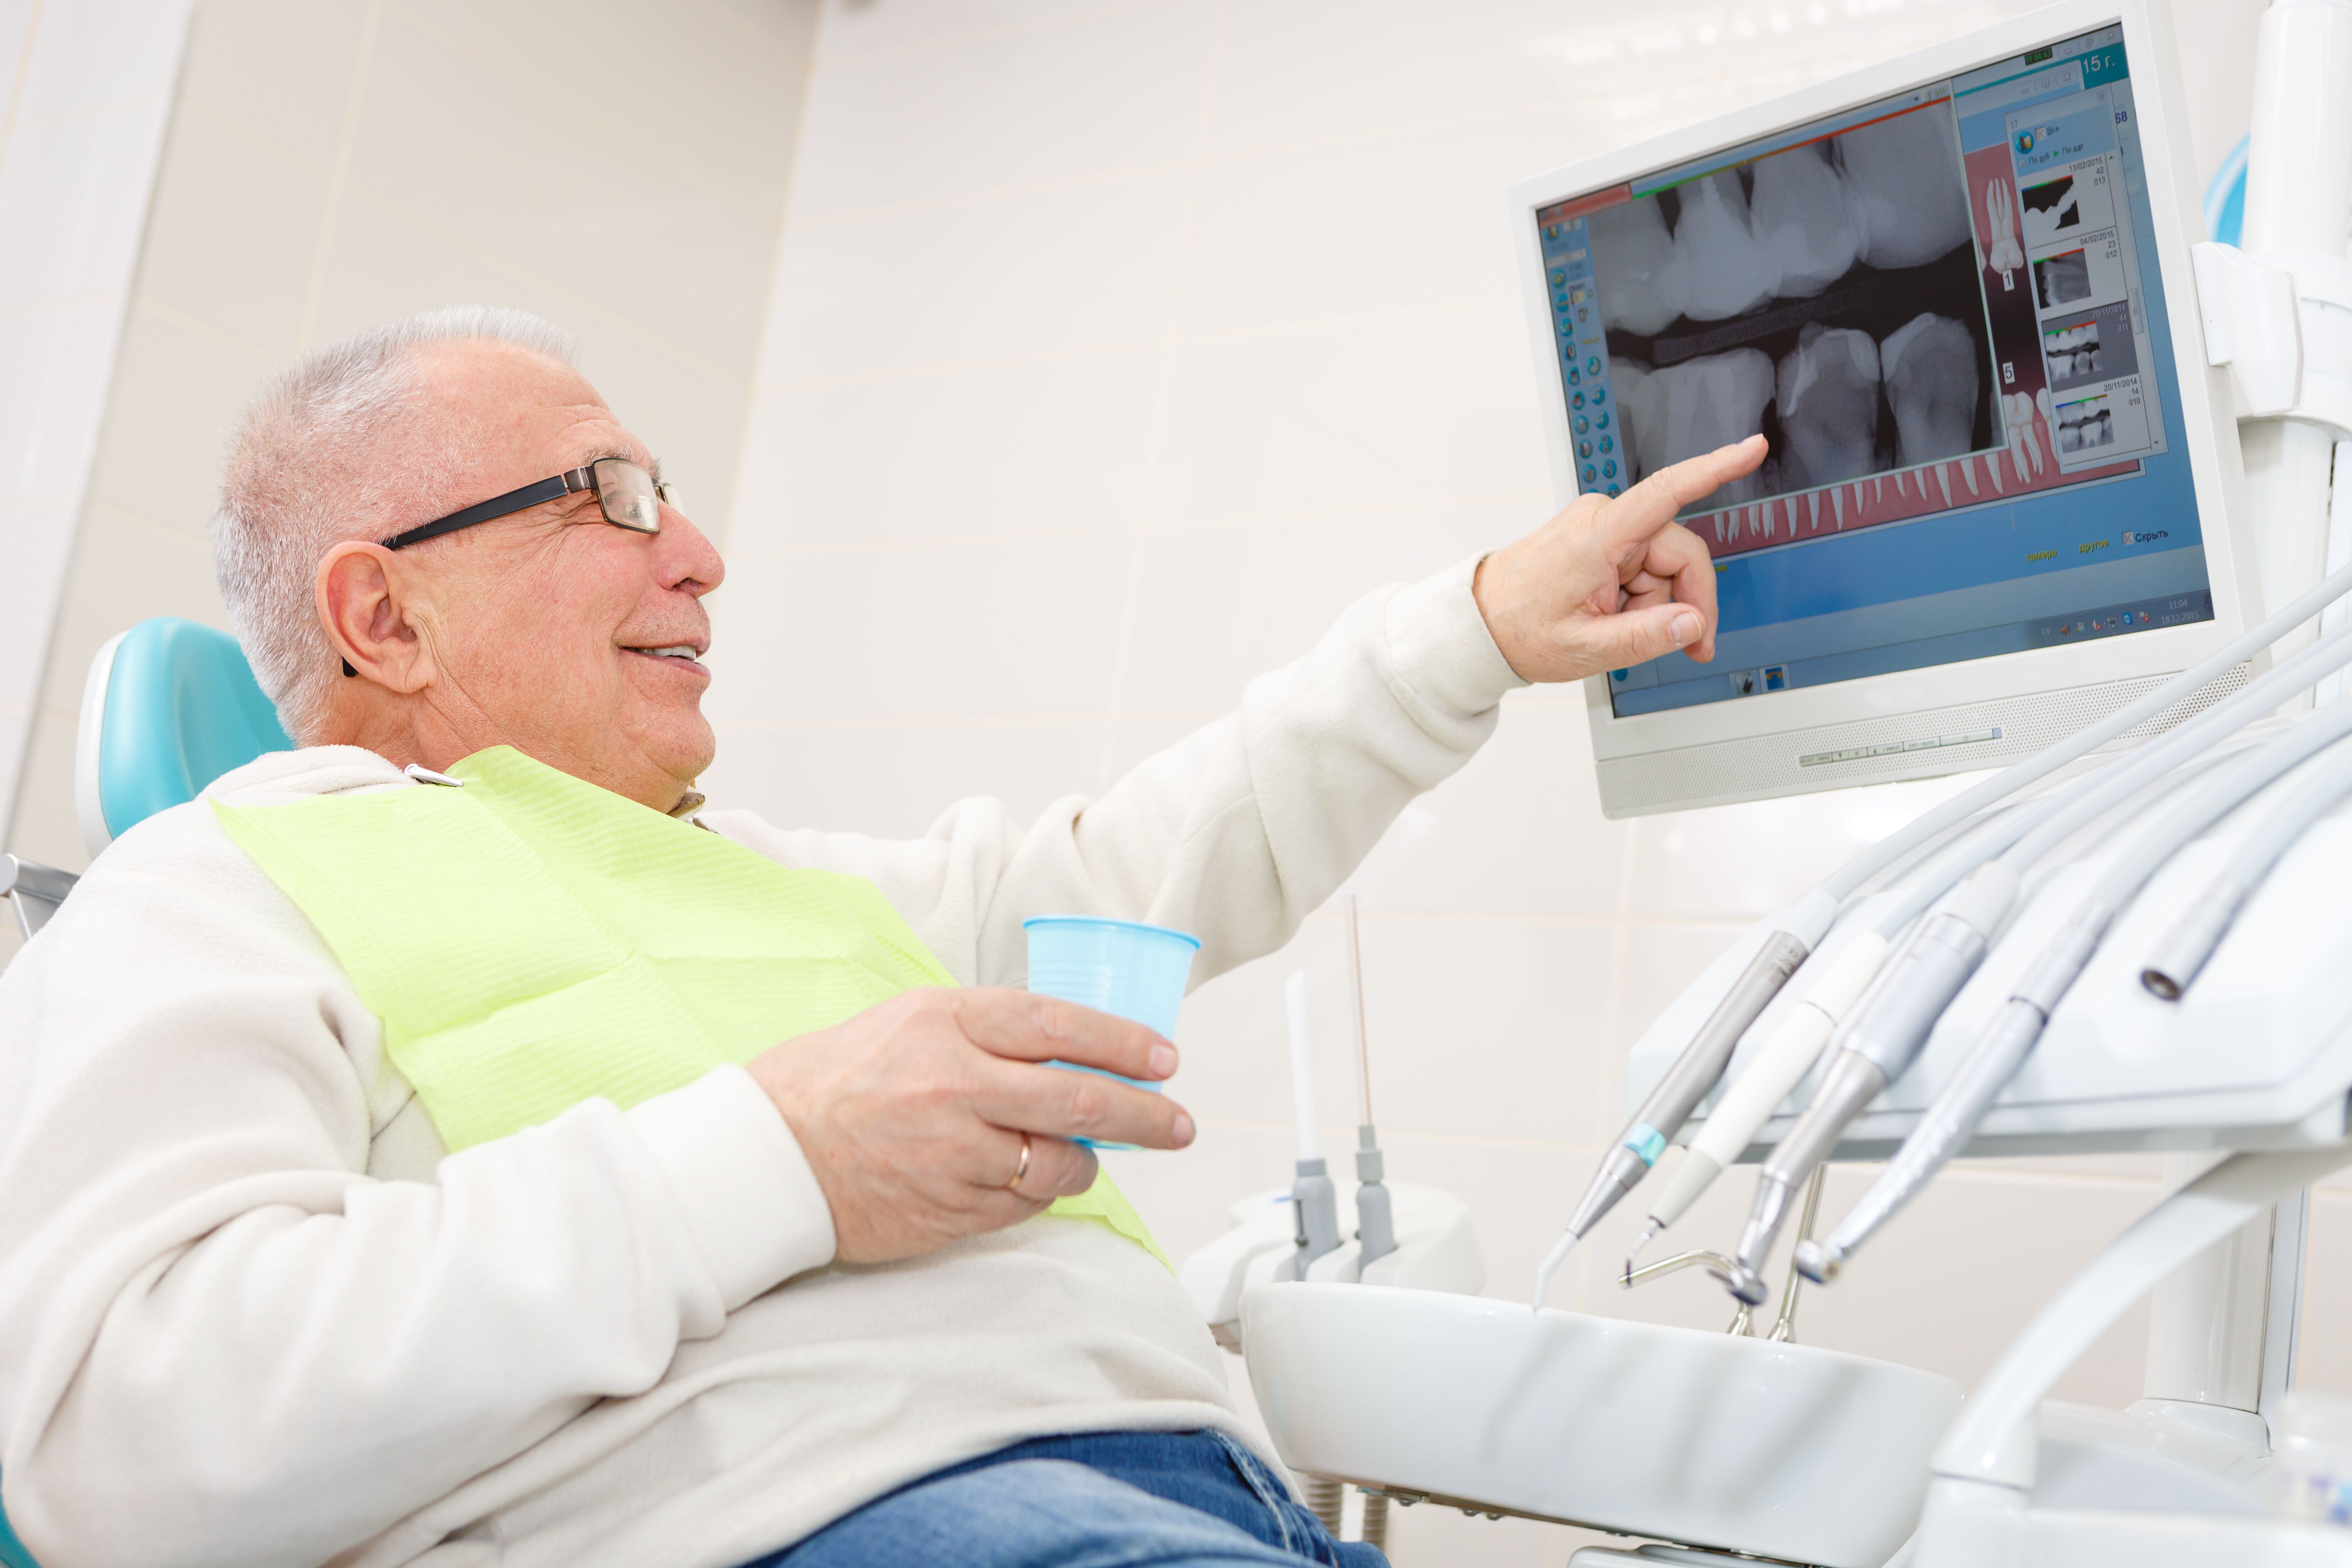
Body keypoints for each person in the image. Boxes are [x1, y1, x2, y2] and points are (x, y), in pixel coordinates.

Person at [0, 307, 1760, 1568]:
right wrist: (778, 1157)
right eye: (606, 499)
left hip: (1213, 1504)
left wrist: (1473, 636)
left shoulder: (776, 880)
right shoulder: (208, 891)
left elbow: (1143, 862)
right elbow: (124, 1440)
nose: (697, 553)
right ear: (385, 611)